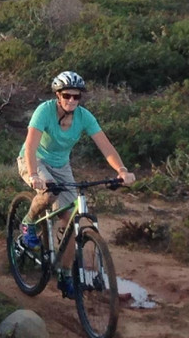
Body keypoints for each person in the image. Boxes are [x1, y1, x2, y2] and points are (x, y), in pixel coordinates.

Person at [16, 70, 135, 298]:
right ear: (58, 95)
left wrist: (121, 170)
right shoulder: (44, 111)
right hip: (35, 160)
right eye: (67, 95)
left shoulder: (84, 117)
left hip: (62, 166)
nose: (72, 100)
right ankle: (28, 222)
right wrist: (33, 175)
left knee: (71, 219)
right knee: (48, 192)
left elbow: (105, 146)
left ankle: (64, 274)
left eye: (76, 96)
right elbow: (30, 146)